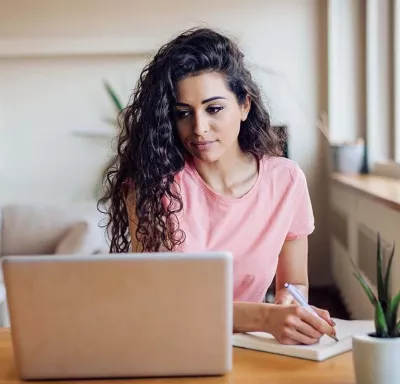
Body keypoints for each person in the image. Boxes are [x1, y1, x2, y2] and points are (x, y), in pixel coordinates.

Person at [98, 27, 336, 345]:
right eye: (183, 113)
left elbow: (293, 284)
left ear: (244, 106)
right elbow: (162, 303)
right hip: (167, 343)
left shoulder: (286, 181)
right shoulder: (152, 187)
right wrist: (266, 317)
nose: (199, 129)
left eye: (214, 109)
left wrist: (291, 308)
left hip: (251, 345)